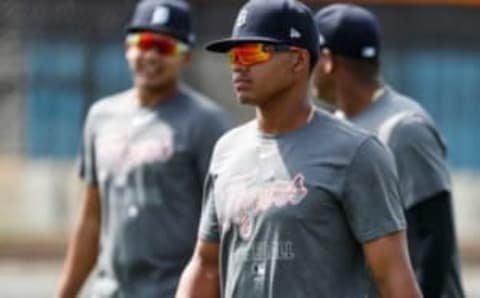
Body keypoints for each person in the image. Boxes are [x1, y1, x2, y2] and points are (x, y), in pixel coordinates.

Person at [175, 0, 421, 297]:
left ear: (297, 60)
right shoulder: (226, 151)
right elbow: (206, 265)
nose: (239, 63)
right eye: (234, 54)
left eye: (253, 52)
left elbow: (393, 278)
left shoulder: (357, 153)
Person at [56, 0, 231, 297]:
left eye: (164, 47)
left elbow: (225, 223)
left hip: (173, 291)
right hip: (110, 291)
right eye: (144, 43)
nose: (151, 55)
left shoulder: (206, 123)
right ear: (128, 48)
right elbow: (91, 218)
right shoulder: (101, 116)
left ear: (185, 57)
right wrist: (66, 293)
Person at [313, 4, 465, 298]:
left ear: (328, 61)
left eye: (313, 58)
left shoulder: (404, 128)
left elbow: (434, 238)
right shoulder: (335, 126)